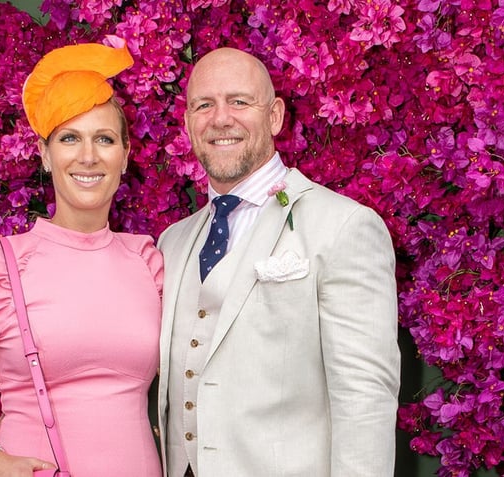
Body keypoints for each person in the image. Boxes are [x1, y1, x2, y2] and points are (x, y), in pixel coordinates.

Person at [0, 43, 163, 477]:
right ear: (45, 155)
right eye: (69, 138)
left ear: (125, 157)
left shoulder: (148, 260)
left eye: (104, 139)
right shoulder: (0, 264)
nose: (87, 156)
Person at [156, 47, 401, 476]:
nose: (220, 118)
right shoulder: (172, 242)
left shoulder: (344, 225)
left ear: (275, 116)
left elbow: (365, 398)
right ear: (188, 123)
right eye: (203, 105)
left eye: (239, 101)